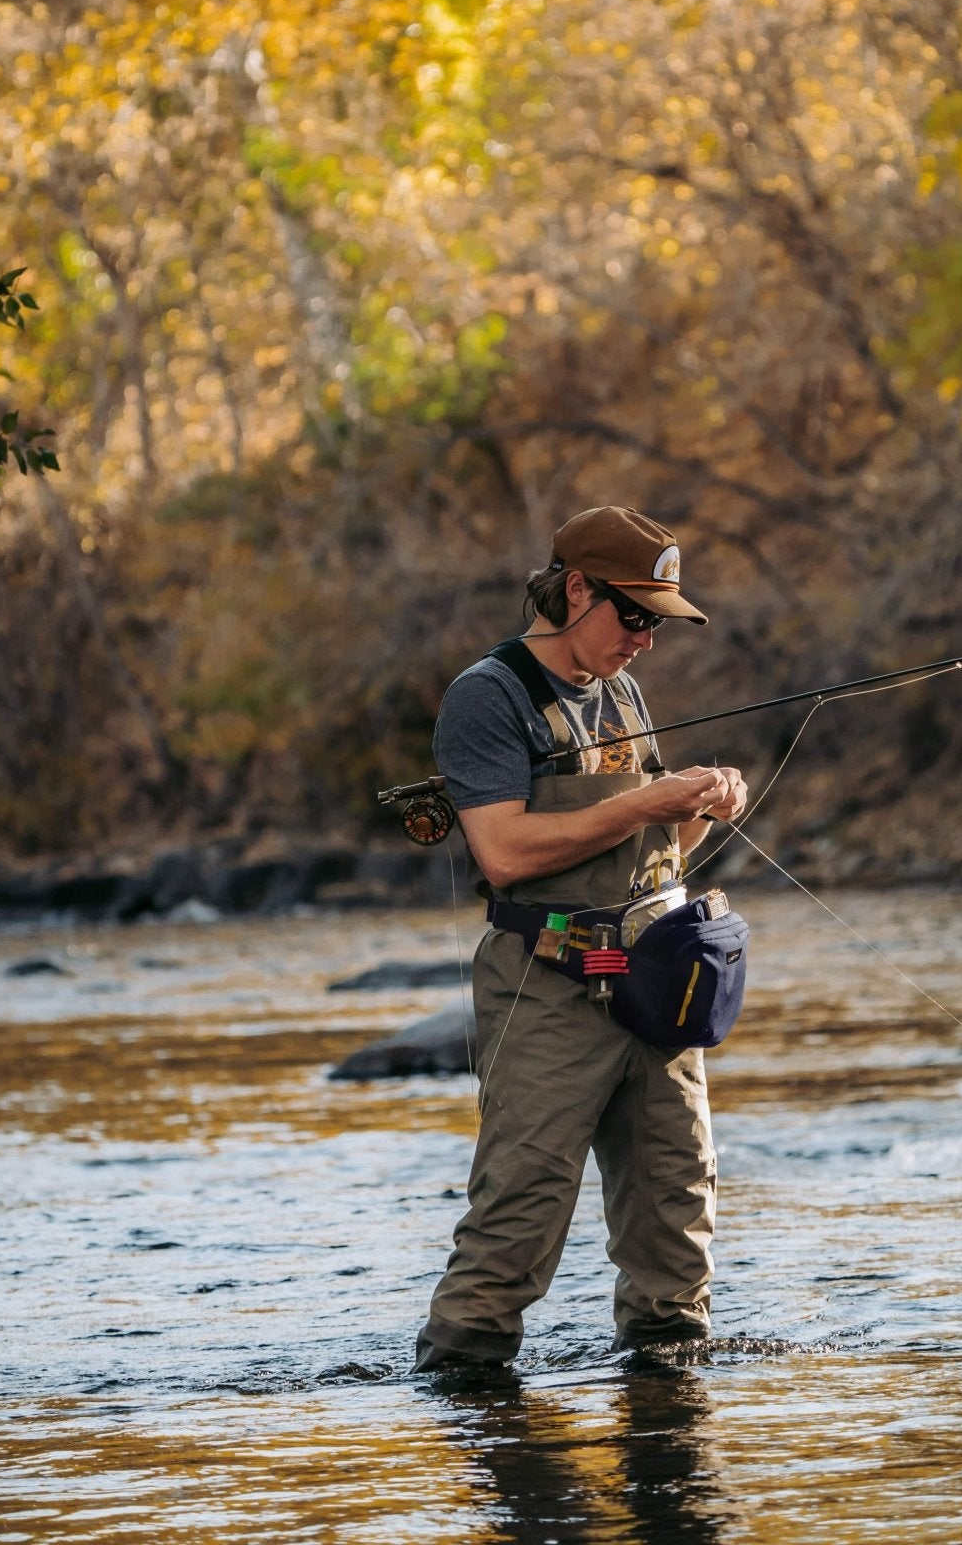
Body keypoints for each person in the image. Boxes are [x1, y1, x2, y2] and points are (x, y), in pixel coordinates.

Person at [413, 505, 747, 1374]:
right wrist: (644, 800)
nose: (644, 639)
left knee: (677, 1208)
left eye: (656, 622)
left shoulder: (622, 691)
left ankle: (669, 1389)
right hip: (546, 985)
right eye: (633, 615)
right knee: (518, 1212)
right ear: (574, 591)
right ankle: (464, 1379)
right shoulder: (488, 695)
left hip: (652, 983)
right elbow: (504, 852)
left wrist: (701, 808)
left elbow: (660, 853)